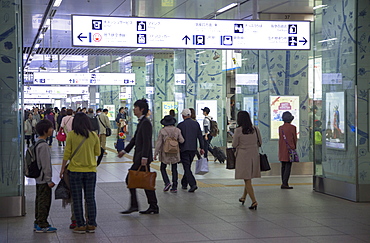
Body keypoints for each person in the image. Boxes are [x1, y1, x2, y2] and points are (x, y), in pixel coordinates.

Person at [60, 112, 101, 234]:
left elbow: (67, 153)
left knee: (77, 199)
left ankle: (80, 225)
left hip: (75, 171)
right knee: (90, 198)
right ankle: (92, 224)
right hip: (91, 171)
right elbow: (98, 152)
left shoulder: (72, 135)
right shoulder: (94, 135)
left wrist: (62, 169)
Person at [118, 99, 159, 214]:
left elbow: (147, 141)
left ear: (141, 109)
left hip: (142, 157)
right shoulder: (142, 122)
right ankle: (153, 206)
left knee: (131, 179)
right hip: (140, 157)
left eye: (135, 107)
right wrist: (124, 151)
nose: (133, 109)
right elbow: (135, 140)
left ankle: (135, 205)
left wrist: (145, 157)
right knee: (146, 180)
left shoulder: (145, 122)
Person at [232, 111, 261, 210]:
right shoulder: (255, 129)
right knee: (248, 178)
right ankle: (243, 197)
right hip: (254, 155)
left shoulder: (238, 130)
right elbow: (260, 142)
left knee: (246, 178)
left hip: (243, 156)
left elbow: (234, 144)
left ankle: (254, 201)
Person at [33, 119, 57, 233]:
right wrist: (49, 180)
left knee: (39, 200)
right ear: (45, 130)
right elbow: (45, 165)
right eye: (50, 128)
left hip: (38, 178)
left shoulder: (37, 142)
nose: (52, 130)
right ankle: (42, 224)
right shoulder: (44, 146)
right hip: (43, 179)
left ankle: (38, 222)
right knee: (44, 202)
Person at [154, 115, 184, 193]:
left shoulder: (163, 131)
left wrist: (155, 153)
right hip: (175, 152)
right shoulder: (177, 130)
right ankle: (174, 186)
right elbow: (182, 140)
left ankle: (167, 182)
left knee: (163, 168)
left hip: (165, 152)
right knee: (174, 169)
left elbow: (159, 143)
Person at [177, 108, 205, 192]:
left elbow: (178, 138)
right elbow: (200, 136)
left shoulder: (180, 125)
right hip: (193, 148)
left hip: (184, 148)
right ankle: (184, 183)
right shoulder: (196, 124)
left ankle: (193, 184)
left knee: (186, 167)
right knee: (188, 166)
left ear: (183, 116)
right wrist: (202, 147)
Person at [278, 111, 298, 189]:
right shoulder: (293, 127)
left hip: (282, 149)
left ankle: (283, 182)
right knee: (288, 166)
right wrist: (294, 147)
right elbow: (294, 139)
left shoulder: (280, 128)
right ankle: (285, 183)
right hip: (290, 149)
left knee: (283, 166)